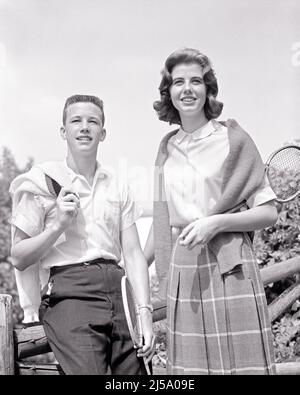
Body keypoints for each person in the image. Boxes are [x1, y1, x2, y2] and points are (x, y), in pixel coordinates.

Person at [144, 48, 278, 375]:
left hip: (231, 265)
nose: (187, 88)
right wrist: (131, 268)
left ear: (208, 89)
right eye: (178, 82)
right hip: (184, 266)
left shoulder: (233, 138)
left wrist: (216, 222)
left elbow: (268, 213)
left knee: (244, 366)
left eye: (195, 81)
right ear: (169, 92)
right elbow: (162, 223)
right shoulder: (165, 149)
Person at [10, 94, 154, 375]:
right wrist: (58, 225)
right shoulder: (40, 182)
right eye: (76, 120)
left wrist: (144, 312)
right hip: (70, 293)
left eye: (93, 121)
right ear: (64, 131)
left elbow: (134, 254)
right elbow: (17, 256)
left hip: (120, 291)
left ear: (104, 133)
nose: (85, 127)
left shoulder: (118, 185)